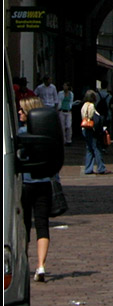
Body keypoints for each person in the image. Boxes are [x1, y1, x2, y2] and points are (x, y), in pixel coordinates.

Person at [17, 97, 53, 282]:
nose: (19, 113)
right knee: (42, 224)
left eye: (22, 110)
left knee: (23, 226)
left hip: (26, 184)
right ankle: (41, 265)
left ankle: (23, 264)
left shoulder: (21, 133)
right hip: (44, 183)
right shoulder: (46, 133)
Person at [80, 90, 108, 175]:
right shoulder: (91, 106)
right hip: (92, 130)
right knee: (96, 149)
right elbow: (94, 118)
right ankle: (101, 168)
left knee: (89, 149)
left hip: (85, 129)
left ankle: (88, 168)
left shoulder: (84, 106)